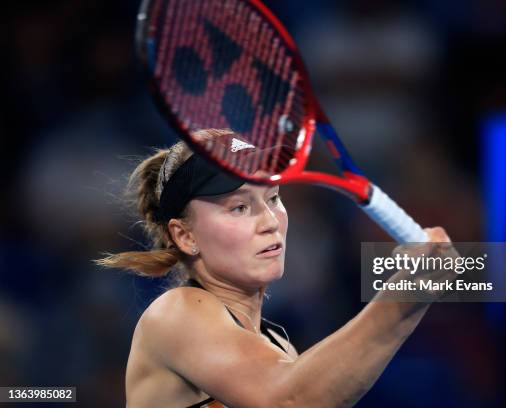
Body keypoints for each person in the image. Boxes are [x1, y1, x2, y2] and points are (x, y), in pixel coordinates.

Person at [96, 128, 454, 407]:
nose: (270, 221)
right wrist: (406, 293)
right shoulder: (175, 314)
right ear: (185, 236)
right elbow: (289, 401)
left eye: (273, 198)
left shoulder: (278, 346)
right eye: (239, 207)